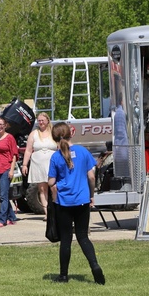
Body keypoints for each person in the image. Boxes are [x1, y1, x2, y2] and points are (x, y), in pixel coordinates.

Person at [47, 121, 105, 285]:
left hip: (64, 202)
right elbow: (92, 177)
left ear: (54, 138)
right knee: (83, 237)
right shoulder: (82, 151)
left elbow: (51, 182)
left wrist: (54, 192)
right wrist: (91, 195)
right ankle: (94, 266)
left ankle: (63, 276)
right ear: (70, 134)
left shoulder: (56, 156)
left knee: (66, 239)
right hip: (82, 200)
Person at [22, 112, 56, 217]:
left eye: (42, 120)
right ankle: (47, 213)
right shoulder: (34, 134)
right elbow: (28, 150)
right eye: (39, 120)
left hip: (52, 164)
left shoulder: (53, 132)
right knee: (42, 188)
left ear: (47, 121)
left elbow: (60, 147)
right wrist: (24, 165)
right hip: (38, 164)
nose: (41, 122)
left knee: (54, 187)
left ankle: (56, 209)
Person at [0, 117, 20, 227]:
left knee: (3, 196)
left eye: (1, 124)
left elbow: (14, 155)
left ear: (5, 125)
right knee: (2, 195)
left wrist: (11, 170)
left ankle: (1, 219)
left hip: (5, 169)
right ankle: (12, 217)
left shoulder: (10, 138)